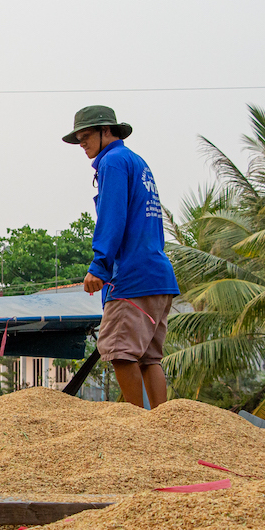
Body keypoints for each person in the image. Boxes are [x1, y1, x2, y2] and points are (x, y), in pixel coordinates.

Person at [63, 105, 179, 408]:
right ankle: (161, 421)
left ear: (106, 131)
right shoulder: (137, 162)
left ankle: (138, 425)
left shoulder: (112, 163)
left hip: (132, 278)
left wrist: (99, 265)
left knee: (118, 352)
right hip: (158, 276)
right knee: (149, 358)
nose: (82, 145)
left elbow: (112, 218)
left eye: (86, 137)